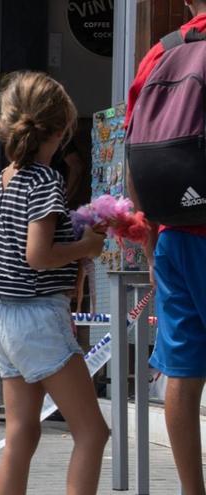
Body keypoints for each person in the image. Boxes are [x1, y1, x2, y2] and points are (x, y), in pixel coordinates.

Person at [0, 71, 108, 494]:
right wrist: (86, 248)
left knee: (21, 435)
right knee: (92, 433)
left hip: (4, 318)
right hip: (38, 318)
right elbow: (37, 256)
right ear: (60, 130)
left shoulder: (3, 181)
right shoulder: (45, 181)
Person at [126, 2, 206, 493]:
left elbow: (136, 155)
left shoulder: (159, 53)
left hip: (174, 235)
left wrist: (153, 244)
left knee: (183, 370)